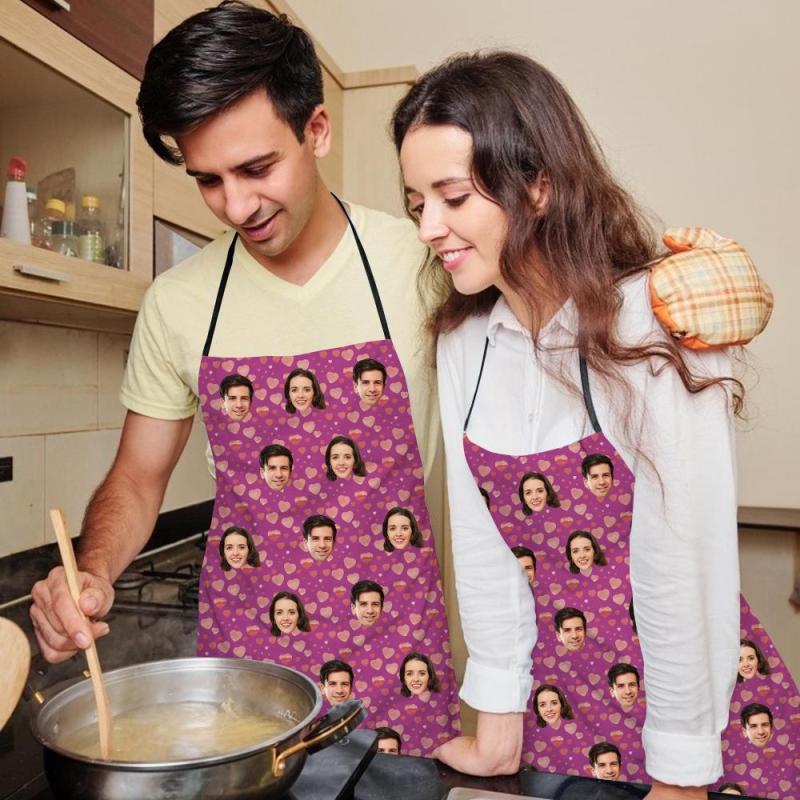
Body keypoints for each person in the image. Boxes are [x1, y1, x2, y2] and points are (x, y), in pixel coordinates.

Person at [28, 0, 459, 758]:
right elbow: (137, 480)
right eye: (208, 180)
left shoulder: (423, 265)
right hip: (246, 680)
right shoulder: (178, 302)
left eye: (257, 169)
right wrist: (90, 572)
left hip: (401, 660)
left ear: (316, 130)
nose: (237, 206)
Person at [394, 50, 742, 792]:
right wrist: (497, 728)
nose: (428, 227)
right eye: (417, 202)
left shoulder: (656, 319)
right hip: (560, 717)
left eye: (452, 198)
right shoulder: (464, 341)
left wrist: (680, 776)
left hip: (694, 724)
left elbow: (685, 558)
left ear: (539, 187)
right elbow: (483, 545)